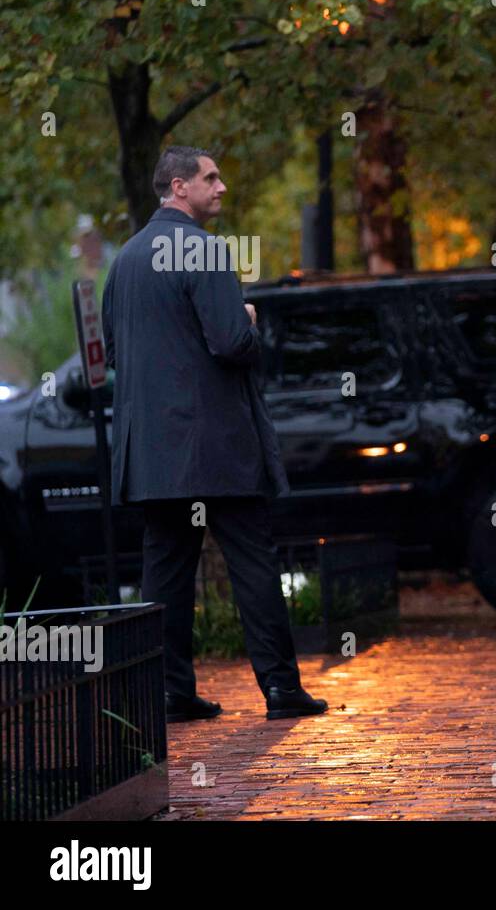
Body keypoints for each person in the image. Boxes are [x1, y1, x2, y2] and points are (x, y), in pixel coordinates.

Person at [102, 145, 327, 724]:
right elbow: (231, 345)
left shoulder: (125, 258)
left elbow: (114, 349)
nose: (221, 187)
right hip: (217, 446)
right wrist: (250, 323)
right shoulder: (203, 250)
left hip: (152, 452)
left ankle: (171, 692)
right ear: (179, 187)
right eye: (210, 178)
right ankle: (279, 689)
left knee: (165, 576)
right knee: (253, 562)